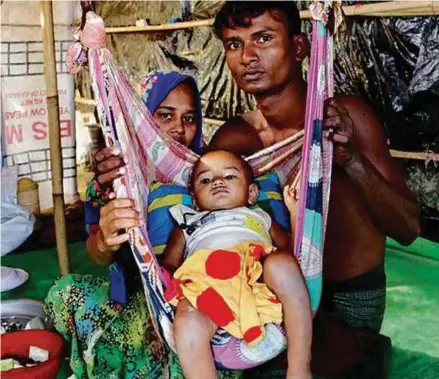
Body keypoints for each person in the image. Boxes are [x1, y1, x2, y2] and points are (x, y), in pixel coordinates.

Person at [209, 2, 420, 377]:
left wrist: (351, 160)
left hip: (350, 305)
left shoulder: (346, 117)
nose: (248, 57)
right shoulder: (236, 140)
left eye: (264, 38)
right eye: (234, 44)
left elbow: (408, 229)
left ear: (300, 47)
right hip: (273, 300)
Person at [45, 70, 241, 379]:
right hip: (136, 289)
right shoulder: (119, 176)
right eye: (165, 115)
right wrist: (107, 240)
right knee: (62, 292)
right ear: (141, 120)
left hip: (193, 298)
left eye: (190, 118)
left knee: (177, 345)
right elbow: (97, 253)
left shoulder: (208, 173)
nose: (179, 128)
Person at [163, 150, 311, 379]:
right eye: (206, 180)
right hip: (209, 289)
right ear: (194, 200)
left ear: (252, 193)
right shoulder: (187, 223)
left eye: (230, 176)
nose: (218, 181)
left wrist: (294, 213)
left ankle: (299, 368)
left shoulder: (260, 216)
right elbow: (170, 265)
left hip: (257, 278)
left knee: (282, 264)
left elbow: (293, 254)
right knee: (187, 320)